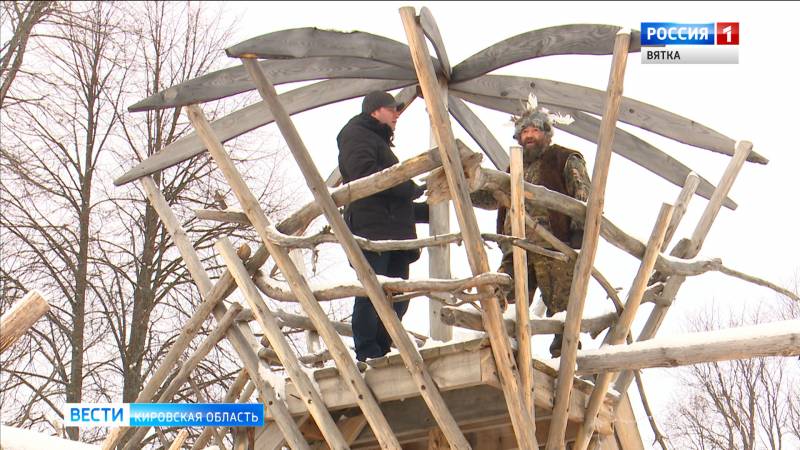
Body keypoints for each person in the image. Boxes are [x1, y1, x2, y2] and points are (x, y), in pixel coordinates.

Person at [337, 90, 428, 362]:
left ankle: (382, 348)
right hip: (372, 230)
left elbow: (394, 200)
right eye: (393, 109)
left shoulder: (377, 142)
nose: (397, 114)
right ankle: (367, 352)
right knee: (372, 291)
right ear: (375, 111)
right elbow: (365, 176)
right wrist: (409, 186)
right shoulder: (357, 135)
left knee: (397, 295)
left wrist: (430, 209)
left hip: (392, 231)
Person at [495, 104, 591, 357]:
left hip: (553, 245)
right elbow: (492, 198)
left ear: (546, 134)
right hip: (517, 245)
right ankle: (502, 343)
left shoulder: (564, 157)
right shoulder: (514, 167)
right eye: (524, 131)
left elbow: (582, 195)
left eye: (535, 130)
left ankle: (566, 355)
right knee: (502, 292)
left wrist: (579, 233)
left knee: (562, 304)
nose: (529, 135)